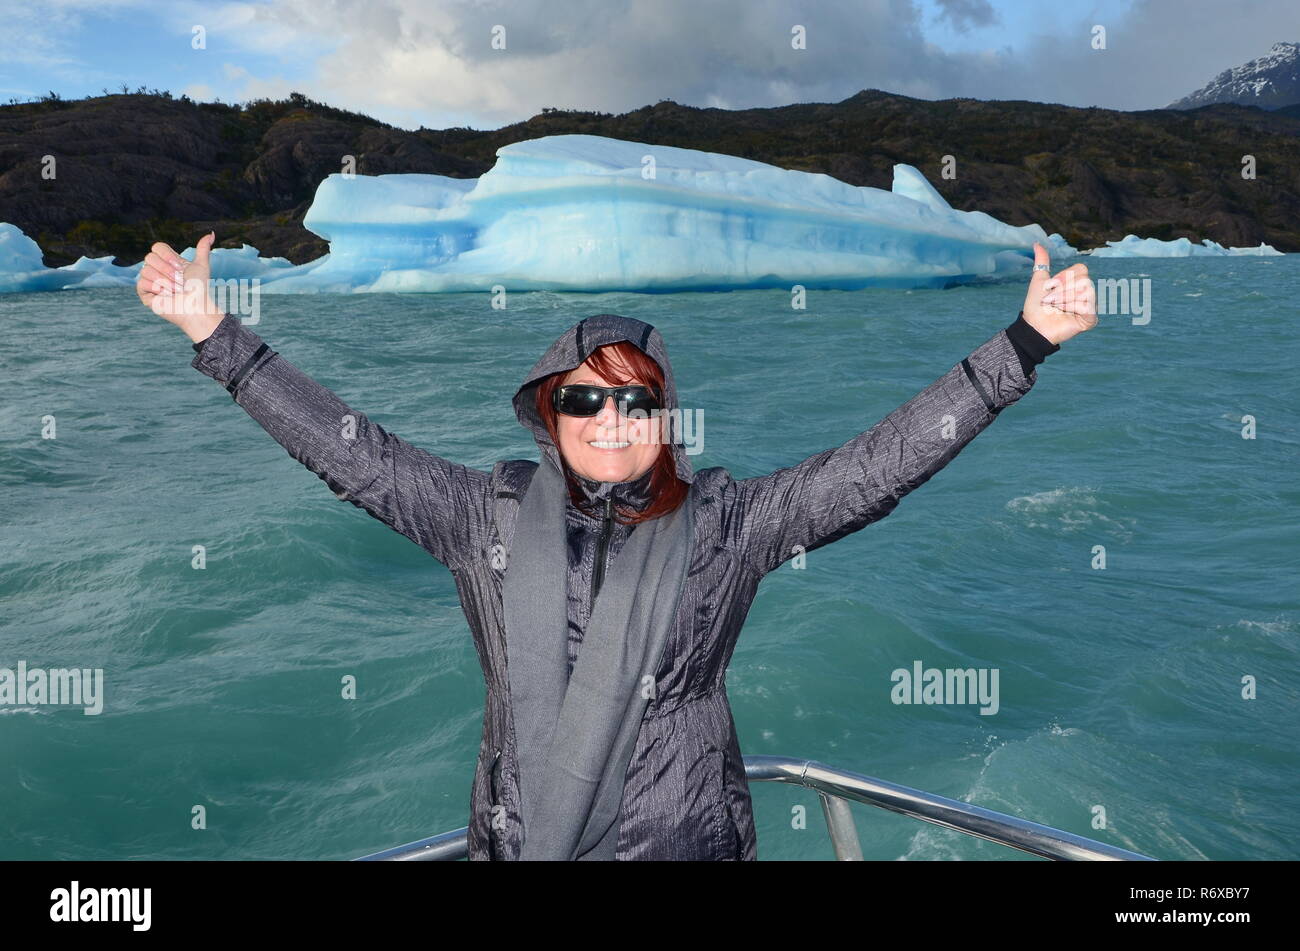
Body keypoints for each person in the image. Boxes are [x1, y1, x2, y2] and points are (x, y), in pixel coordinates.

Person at [136, 233, 1097, 860]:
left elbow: (872, 468)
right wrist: (213, 335)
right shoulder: (485, 517)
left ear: (665, 415)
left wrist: (1022, 346)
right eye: (582, 397)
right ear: (548, 414)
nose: (608, 418)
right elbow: (356, 456)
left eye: (633, 398)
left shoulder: (729, 521)